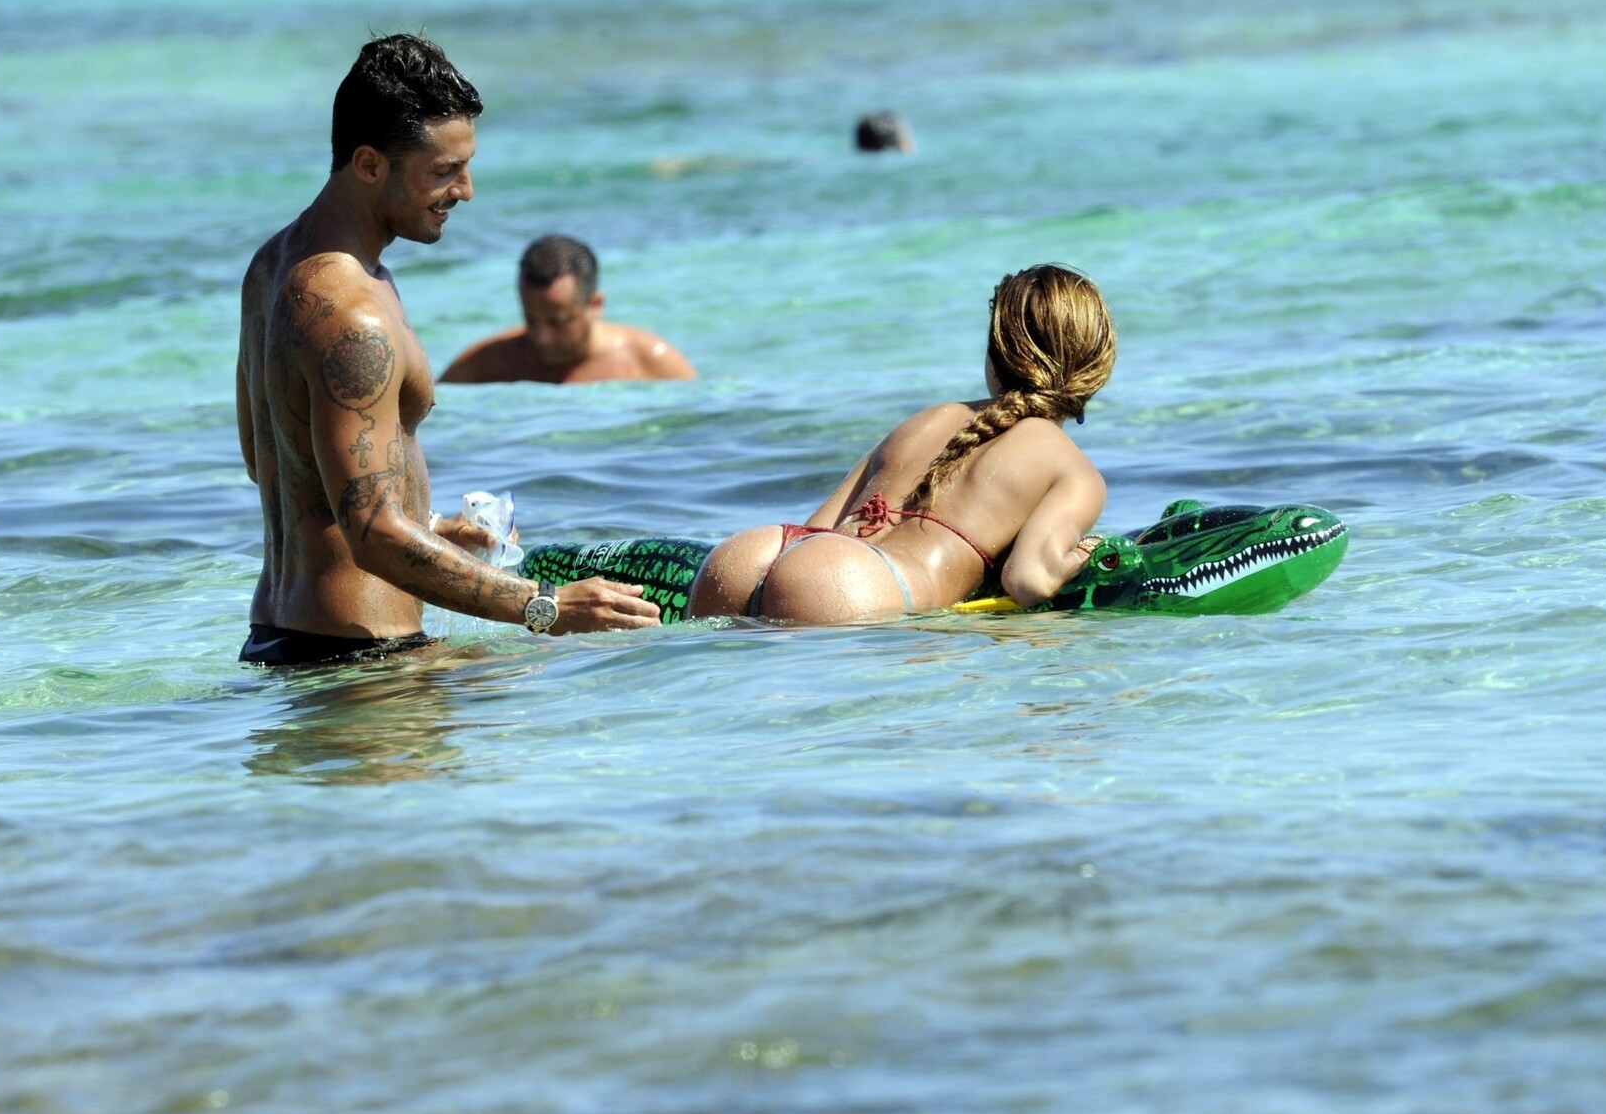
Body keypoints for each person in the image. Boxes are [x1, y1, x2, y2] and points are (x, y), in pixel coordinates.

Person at [235, 34, 661, 666]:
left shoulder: (273, 266)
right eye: (442, 171)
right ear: (369, 165)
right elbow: (373, 534)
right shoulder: (354, 315)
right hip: (362, 659)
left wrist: (428, 525)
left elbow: (273, 460)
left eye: (466, 166)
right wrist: (546, 605)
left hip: (286, 638)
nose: (465, 190)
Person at [687, 264, 1115, 623]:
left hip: (755, 554)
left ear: (994, 357)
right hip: (849, 584)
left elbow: (819, 531)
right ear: (1098, 369)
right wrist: (1085, 554)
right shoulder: (1073, 470)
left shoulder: (928, 418)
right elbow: (1028, 580)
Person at [439, 235, 697, 384]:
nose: (542, 338)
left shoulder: (653, 363)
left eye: (558, 322)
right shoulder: (486, 365)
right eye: (531, 320)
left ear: (595, 305)